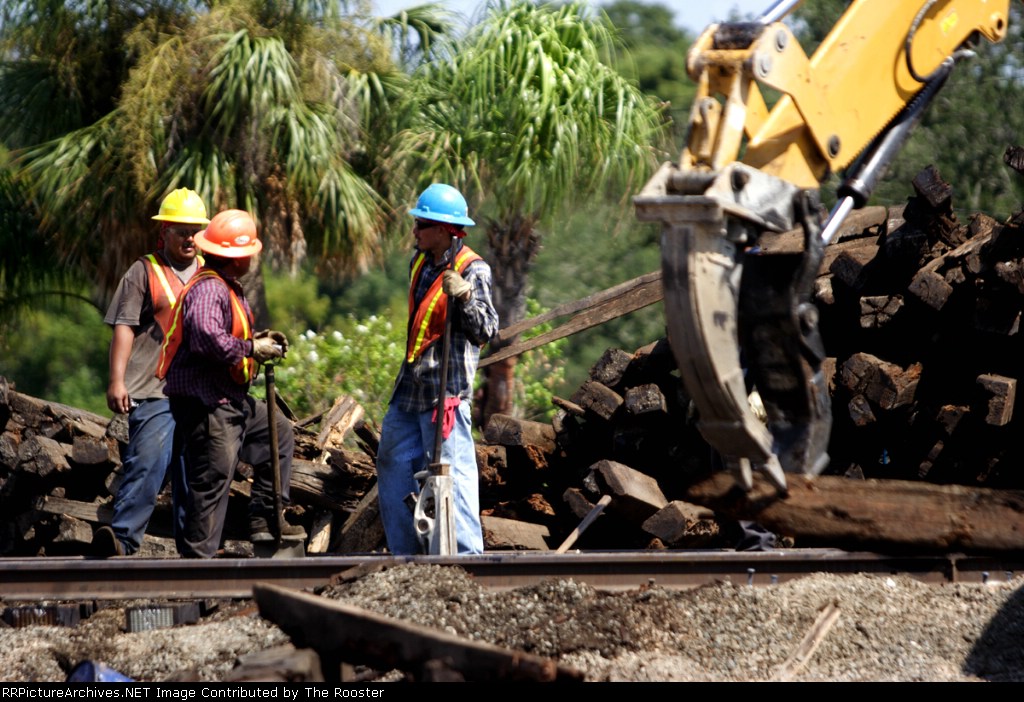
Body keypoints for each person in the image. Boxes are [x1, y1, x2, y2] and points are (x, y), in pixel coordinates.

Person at [157, 209, 305, 558]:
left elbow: (225, 334)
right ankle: (198, 567)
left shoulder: (225, 286)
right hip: (208, 406)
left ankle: (266, 518)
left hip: (229, 399)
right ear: (238, 258)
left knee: (277, 431)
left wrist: (258, 341)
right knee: (213, 480)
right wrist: (253, 347)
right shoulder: (210, 289)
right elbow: (207, 337)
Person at [375, 184, 499, 555]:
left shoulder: (473, 269)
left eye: (422, 225)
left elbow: (486, 330)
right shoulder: (421, 263)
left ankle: (465, 558)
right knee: (393, 465)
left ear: (444, 230)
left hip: (445, 392)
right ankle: (407, 557)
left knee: (453, 475)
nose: (415, 231)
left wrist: (464, 296)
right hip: (411, 388)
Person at [95, 188, 210, 557]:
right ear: (165, 233)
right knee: (147, 465)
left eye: (195, 230)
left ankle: (193, 554)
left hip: (197, 393)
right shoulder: (144, 271)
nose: (189, 238)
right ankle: (123, 542)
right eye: (182, 231)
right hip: (152, 389)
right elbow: (124, 326)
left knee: (194, 477)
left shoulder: (210, 273)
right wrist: (117, 380)